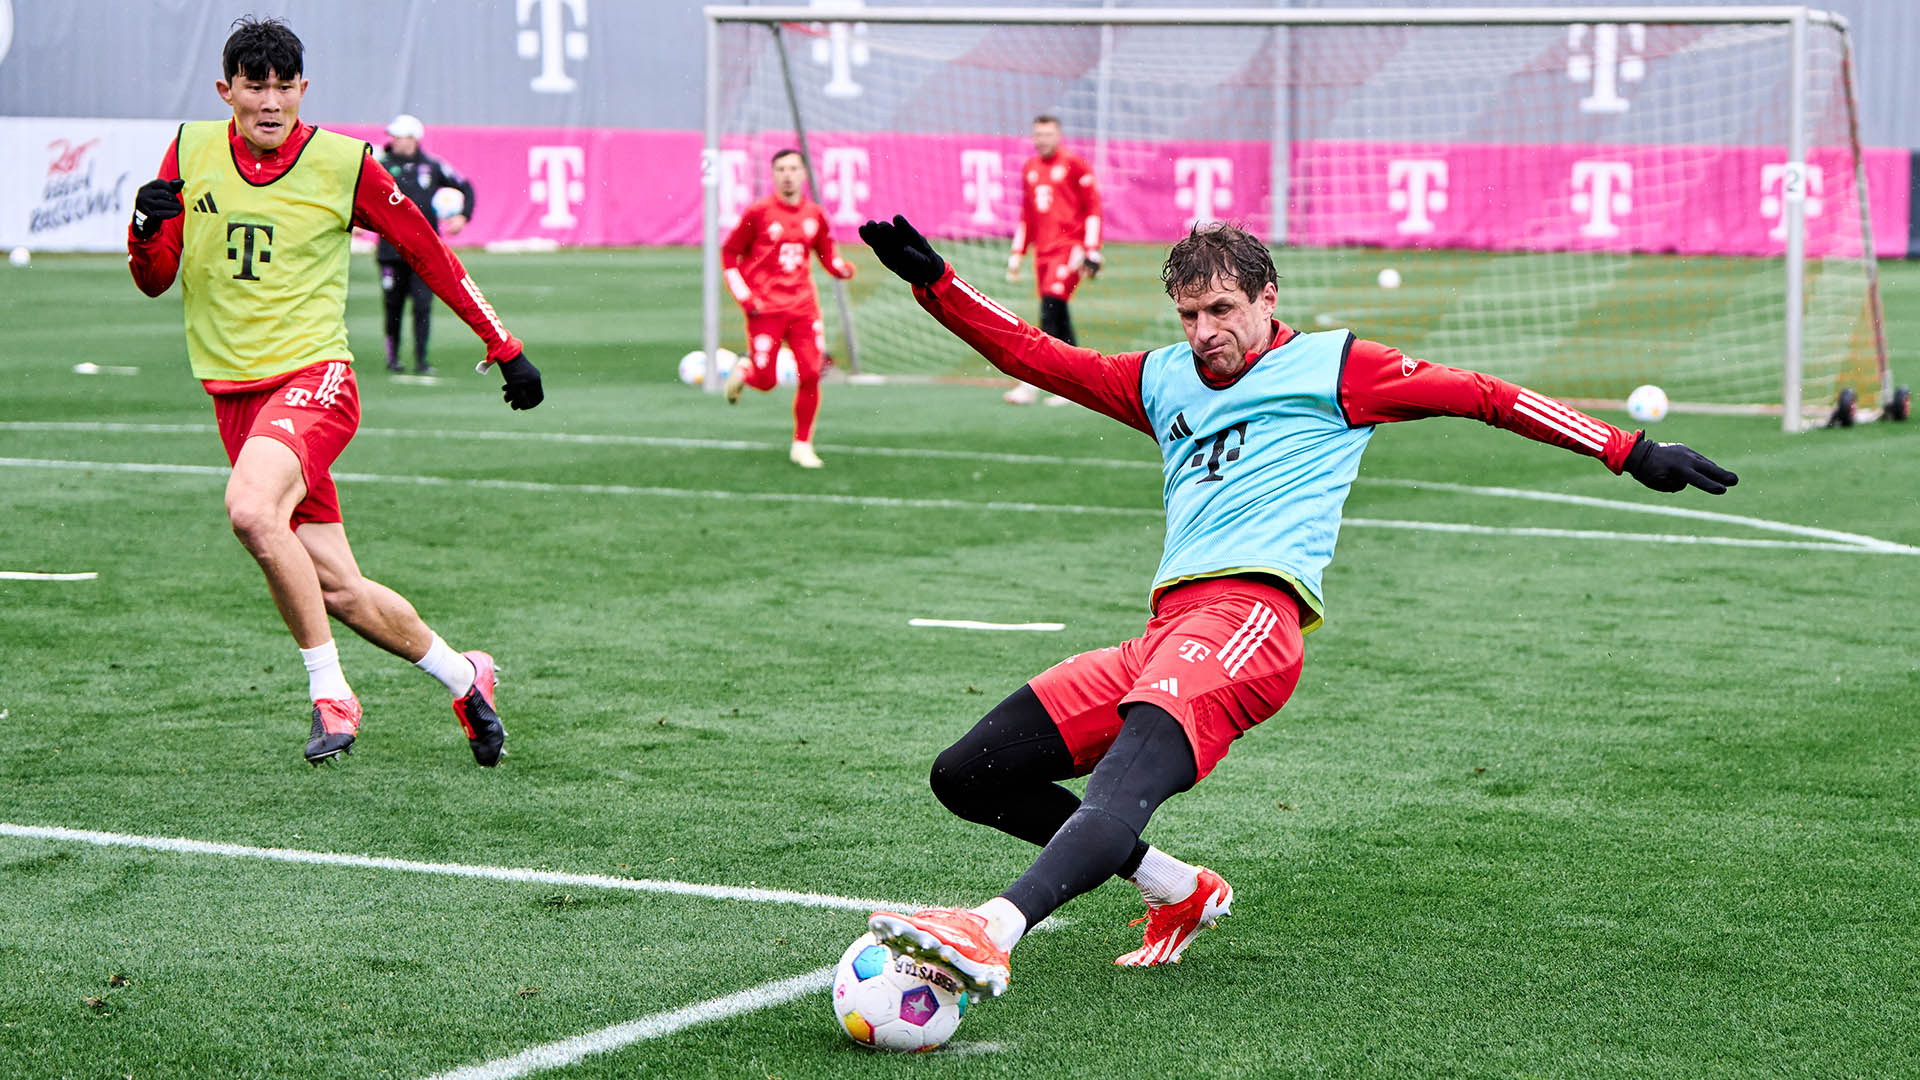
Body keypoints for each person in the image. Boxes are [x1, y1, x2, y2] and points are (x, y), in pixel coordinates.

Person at [854, 214, 1737, 999]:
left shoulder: (1340, 368)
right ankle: (1175, 887)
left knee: (1126, 776)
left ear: (1268, 298)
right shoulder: (1161, 378)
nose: (1206, 334)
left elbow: (1484, 395)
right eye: (1190, 316)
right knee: (969, 774)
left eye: (1224, 311)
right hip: (1167, 632)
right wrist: (936, 284)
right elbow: (1033, 354)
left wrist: (1627, 449)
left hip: (1252, 624)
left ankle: (994, 929)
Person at [126, 16, 544, 766]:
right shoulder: (189, 150)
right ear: (227, 91)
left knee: (252, 512)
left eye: (284, 85)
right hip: (236, 400)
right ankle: (465, 676)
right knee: (342, 591)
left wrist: (503, 344)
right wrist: (142, 229)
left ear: (302, 90)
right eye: (255, 85)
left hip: (317, 381)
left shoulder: (344, 162)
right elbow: (155, 279)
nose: (271, 100)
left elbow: (426, 250)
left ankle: (331, 693)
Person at [720, 149, 855, 469]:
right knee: (766, 382)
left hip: (803, 309)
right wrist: (746, 298)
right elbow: (729, 255)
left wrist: (841, 269)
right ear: (773, 174)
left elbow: (826, 252)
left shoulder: (815, 214)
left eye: (794, 168)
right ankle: (746, 371)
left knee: (810, 373)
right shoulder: (759, 212)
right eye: (781, 169)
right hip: (765, 310)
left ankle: (802, 444)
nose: (788, 174)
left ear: (804, 173)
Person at [1003, 114, 1102, 407]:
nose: (1042, 140)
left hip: (1069, 249)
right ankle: (1077, 381)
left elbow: (1093, 208)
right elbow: (1027, 215)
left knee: (1051, 306)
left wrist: (1092, 249)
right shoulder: (1030, 168)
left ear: (1058, 135)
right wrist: (1017, 253)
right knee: (1056, 312)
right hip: (1043, 253)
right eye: (1037, 135)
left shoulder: (1075, 165)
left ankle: (1031, 381)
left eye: (1047, 134)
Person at [375, 113, 475, 375]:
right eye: (393, 136)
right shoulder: (379, 164)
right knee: (393, 306)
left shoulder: (433, 166)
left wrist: (463, 216)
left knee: (422, 305)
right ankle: (393, 358)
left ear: (414, 139)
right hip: (391, 250)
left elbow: (466, 186)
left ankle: (421, 360)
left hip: (424, 251)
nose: (394, 141)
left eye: (400, 136)